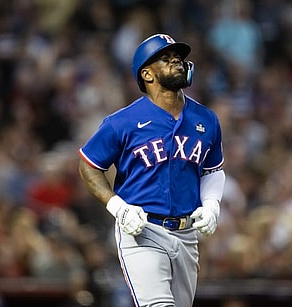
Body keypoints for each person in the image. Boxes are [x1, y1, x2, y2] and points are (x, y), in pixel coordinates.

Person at [78, 33, 226, 307]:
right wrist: (118, 207)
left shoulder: (206, 119)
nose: (177, 62)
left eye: (178, 58)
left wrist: (211, 205)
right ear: (147, 74)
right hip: (141, 229)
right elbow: (89, 166)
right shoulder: (122, 121)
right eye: (166, 59)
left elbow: (212, 169)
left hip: (186, 234)